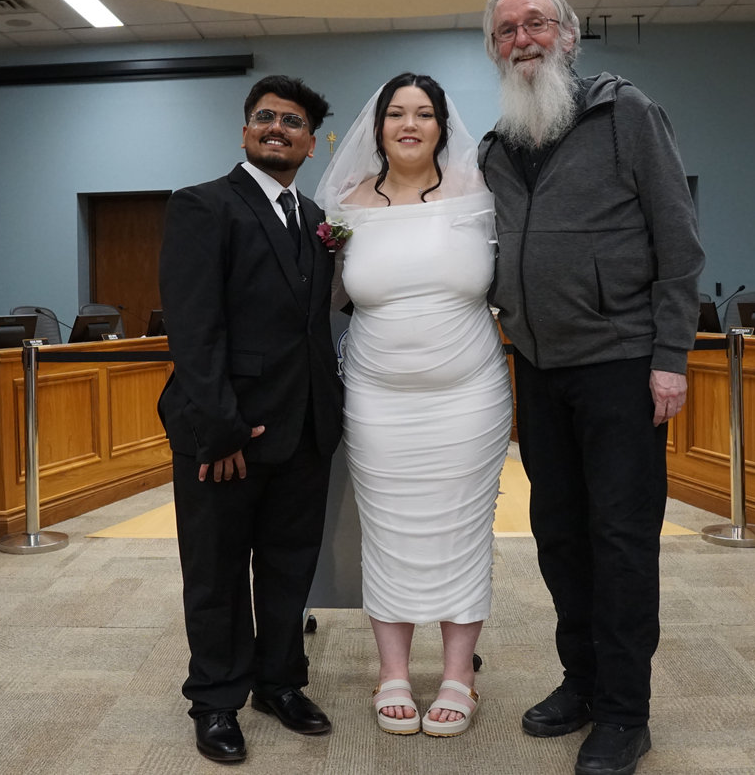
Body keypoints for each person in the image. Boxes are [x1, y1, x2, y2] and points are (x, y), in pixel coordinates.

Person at [477, 0, 705, 775]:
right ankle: (580, 679)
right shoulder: (495, 145)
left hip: (620, 364)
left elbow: (679, 243)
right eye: (506, 30)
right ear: (494, 49)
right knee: (561, 536)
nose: (522, 39)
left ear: (570, 36)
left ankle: (624, 711)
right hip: (537, 370)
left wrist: (671, 358)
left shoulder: (626, 113)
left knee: (621, 539)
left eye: (536, 23)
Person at [315, 73, 511, 738]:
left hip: (470, 397)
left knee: (462, 529)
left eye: (423, 114)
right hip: (377, 400)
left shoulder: (481, 196)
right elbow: (327, 299)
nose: (408, 123)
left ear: (441, 126)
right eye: (396, 113)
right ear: (378, 128)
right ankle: (392, 671)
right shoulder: (344, 206)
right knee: (388, 530)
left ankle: (460, 675)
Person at [157, 75, 343, 764]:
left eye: (291, 122)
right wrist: (220, 428)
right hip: (227, 433)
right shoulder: (202, 206)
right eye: (264, 118)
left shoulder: (317, 216)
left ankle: (279, 681)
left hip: (306, 428)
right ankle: (214, 699)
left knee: (291, 568)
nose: (276, 128)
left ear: (311, 142)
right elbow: (193, 326)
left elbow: (309, 328)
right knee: (216, 573)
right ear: (244, 132)